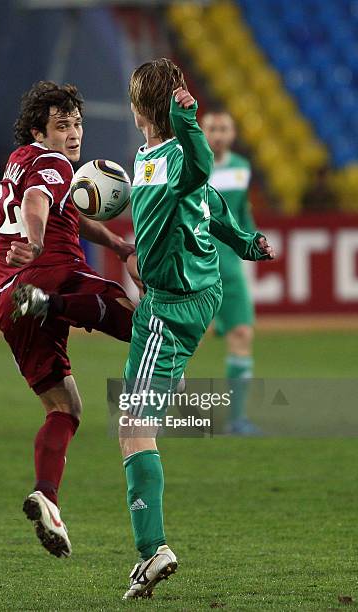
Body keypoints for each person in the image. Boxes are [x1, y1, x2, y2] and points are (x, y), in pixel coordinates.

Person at [119, 59, 275, 599]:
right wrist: (245, 244)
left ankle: (151, 550)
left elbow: (202, 172)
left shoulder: (175, 154)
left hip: (170, 305)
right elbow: (208, 205)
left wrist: (188, 121)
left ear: (138, 109)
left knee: (132, 423)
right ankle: (178, 392)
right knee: (150, 391)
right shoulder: (147, 159)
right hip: (191, 291)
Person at [0, 81, 135, 558]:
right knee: (143, 322)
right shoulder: (50, 163)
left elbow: (64, 209)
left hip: (9, 298)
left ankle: (47, 497)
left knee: (65, 410)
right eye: (62, 125)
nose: (73, 134)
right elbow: (38, 204)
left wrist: (114, 244)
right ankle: (52, 305)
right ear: (40, 130)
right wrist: (33, 242)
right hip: (50, 273)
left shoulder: (20, 160)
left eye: (76, 123)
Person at [201, 109, 259, 435]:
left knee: (242, 334)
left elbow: (241, 214)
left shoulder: (241, 168)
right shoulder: (191, 164)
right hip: (196, 264)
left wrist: (255, 241)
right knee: (182, 341)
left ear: (233, 134)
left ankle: (238, 420)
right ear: (202, 132)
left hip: (231, 267)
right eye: (213, 128)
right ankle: (154, 413)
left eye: (224, 129)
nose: (219, 135)